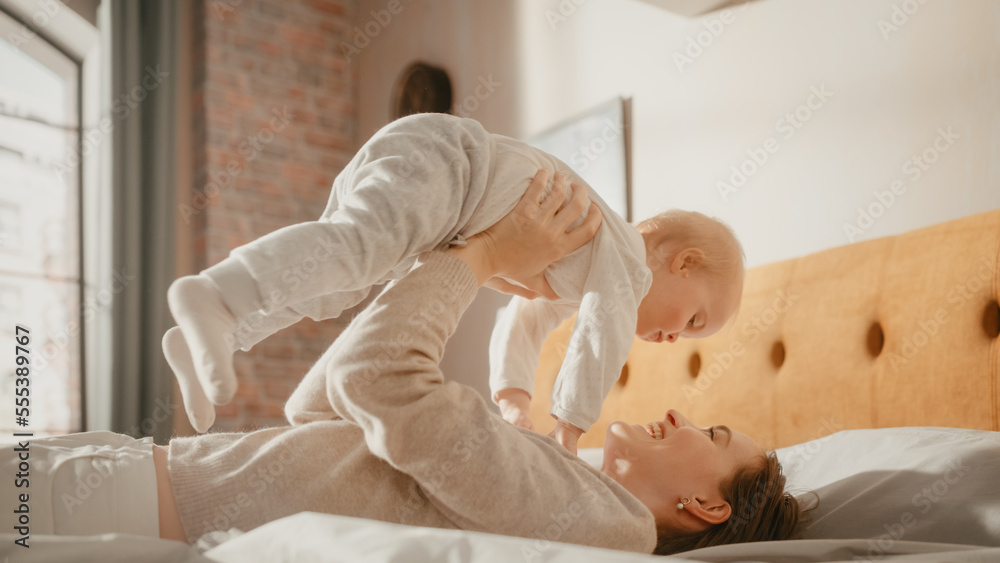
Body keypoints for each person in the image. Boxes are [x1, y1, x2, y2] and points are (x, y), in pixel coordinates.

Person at [1, 179, 800, 555]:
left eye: (714, 432)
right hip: (142, 469)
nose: (681, 413)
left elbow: (373, 382)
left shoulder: (610, 527)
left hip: (141, 511)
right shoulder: (569, 481)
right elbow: (324, 409)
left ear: (705, 504)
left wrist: (481, 257)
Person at [163, 112, 745, 453]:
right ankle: (218, 293)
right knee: (358, 249)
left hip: (439, 194)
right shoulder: (622, 258)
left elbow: (524, 319)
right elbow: (602, 337)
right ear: (682, 263)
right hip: (452, 169)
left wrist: (514, 400)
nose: (675, 340)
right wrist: (569, 429)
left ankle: (222, 332)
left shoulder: (588, 266)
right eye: (693, 320)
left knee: (340, 281)